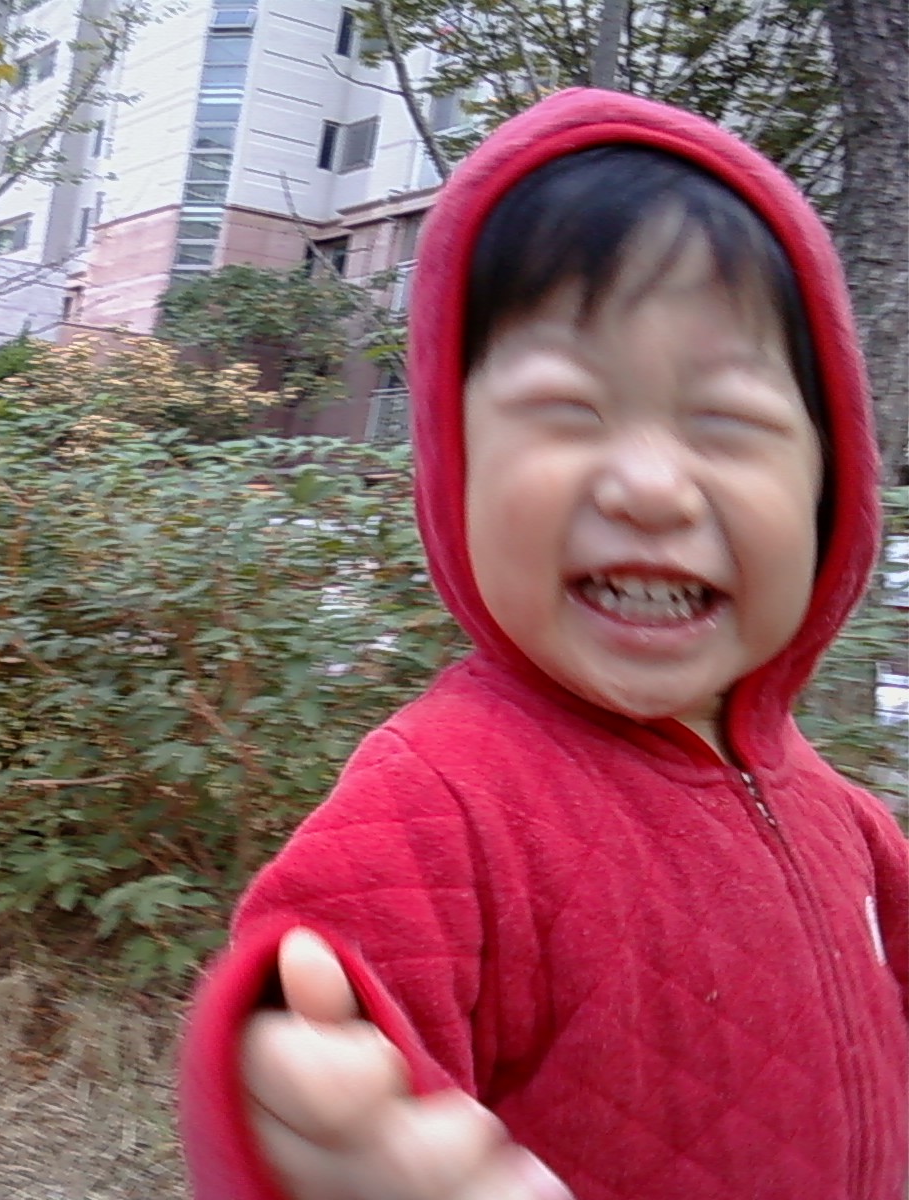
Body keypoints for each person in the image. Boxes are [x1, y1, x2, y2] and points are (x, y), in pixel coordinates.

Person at [178, 88, 907, 1200]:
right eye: (566, 409)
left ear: (827, 488)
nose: (651, 486)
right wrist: (308, 1129)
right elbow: (305, 1033)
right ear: (457, 465)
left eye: (727, 421)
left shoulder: (849, 823)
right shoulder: (440, 805)